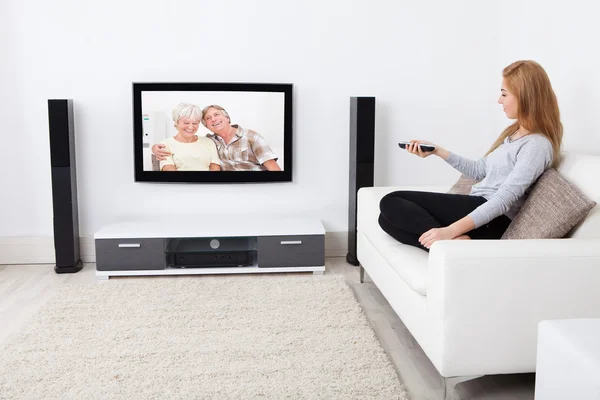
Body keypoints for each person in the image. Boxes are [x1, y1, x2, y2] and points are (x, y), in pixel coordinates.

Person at [379, 60, 563, 251]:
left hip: (492, 219)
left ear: (524, 96)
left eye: (504, 94)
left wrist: (449, 231)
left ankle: (452, 245)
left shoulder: (537, 145)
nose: (499, 100)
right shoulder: (514, 133)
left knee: (391, 201)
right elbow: (478, 170)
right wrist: (437, 151)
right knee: (386, 220)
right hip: (477, 205)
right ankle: (455, 247)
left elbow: (503, 199)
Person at [153, 104, 281, 171]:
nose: (213, 119)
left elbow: (274, 168)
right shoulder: (212, 140)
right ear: (206, 125)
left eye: (216, 115)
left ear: (227, 117)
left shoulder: (251, 137)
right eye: (208, 118)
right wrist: (154, 148)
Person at [155, 103, 221, 171]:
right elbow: (168, 169)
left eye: (195, 123)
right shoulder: (165, 144)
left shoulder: (208, 142)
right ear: (176, 122)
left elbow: (215, 167)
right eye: (186, 123)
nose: (190, 127)